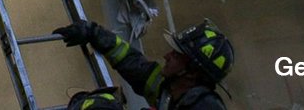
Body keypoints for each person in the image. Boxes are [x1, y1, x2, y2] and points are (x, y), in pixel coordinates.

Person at [54, 19, 233, 109]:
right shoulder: (169, 88)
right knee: (103, 102)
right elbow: (131, 62)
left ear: (192, 72)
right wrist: (93, 32)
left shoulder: (205, 107)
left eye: (177, 55)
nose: (167, 55)